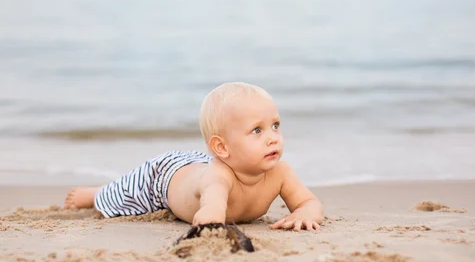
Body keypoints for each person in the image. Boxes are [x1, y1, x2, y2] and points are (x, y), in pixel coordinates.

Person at [64, 82, 324, 231]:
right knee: (122, 196)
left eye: (275, 125)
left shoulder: (280, 172)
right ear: (222, 148)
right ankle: (96, 193)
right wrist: (212, 212)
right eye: (257, 130)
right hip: (165, 176)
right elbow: (213, 200)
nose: (272, 137)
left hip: (197, 164)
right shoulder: (219, 175)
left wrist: (306, 214)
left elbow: (309, 202)